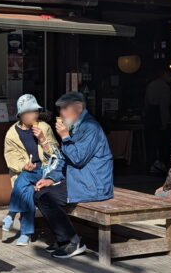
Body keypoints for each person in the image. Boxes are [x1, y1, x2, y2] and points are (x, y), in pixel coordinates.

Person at [34, 92, 114, 259]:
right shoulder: (77, 126)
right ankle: (64, 240)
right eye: (60, 109)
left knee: (47, 198)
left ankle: (72, 241)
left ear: (78, 107)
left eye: (64, 108)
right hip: (79, 179)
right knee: (40, 193)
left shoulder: (91, 128)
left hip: (93, 183)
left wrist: (65, 137)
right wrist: (51, 179)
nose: (61, 113)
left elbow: (78, 159)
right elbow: (64, 159)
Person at [2, 94, 60, 246]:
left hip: (45, 170)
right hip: (25, 172)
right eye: (28, 112)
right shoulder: (12, 134)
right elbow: (11, 157)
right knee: (26, 189)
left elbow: (56, 154)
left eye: (35, 111)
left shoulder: (44, 127)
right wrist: (23, 165)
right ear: (20, 114)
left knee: (25, 179)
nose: (32, 115)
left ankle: (11, 213)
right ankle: (26, 233)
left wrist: (42, 139)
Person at [144, 69, 171, 174]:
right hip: (159, 116)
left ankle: (151, 164)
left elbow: (146, 103)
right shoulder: (164, 87)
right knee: (162, 143)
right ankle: (160, 165)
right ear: (163, 74)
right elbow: (164, 106)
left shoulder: (151, 85)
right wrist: (165, 122)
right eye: (169, 75)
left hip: (150, 116)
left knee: (151, 142)